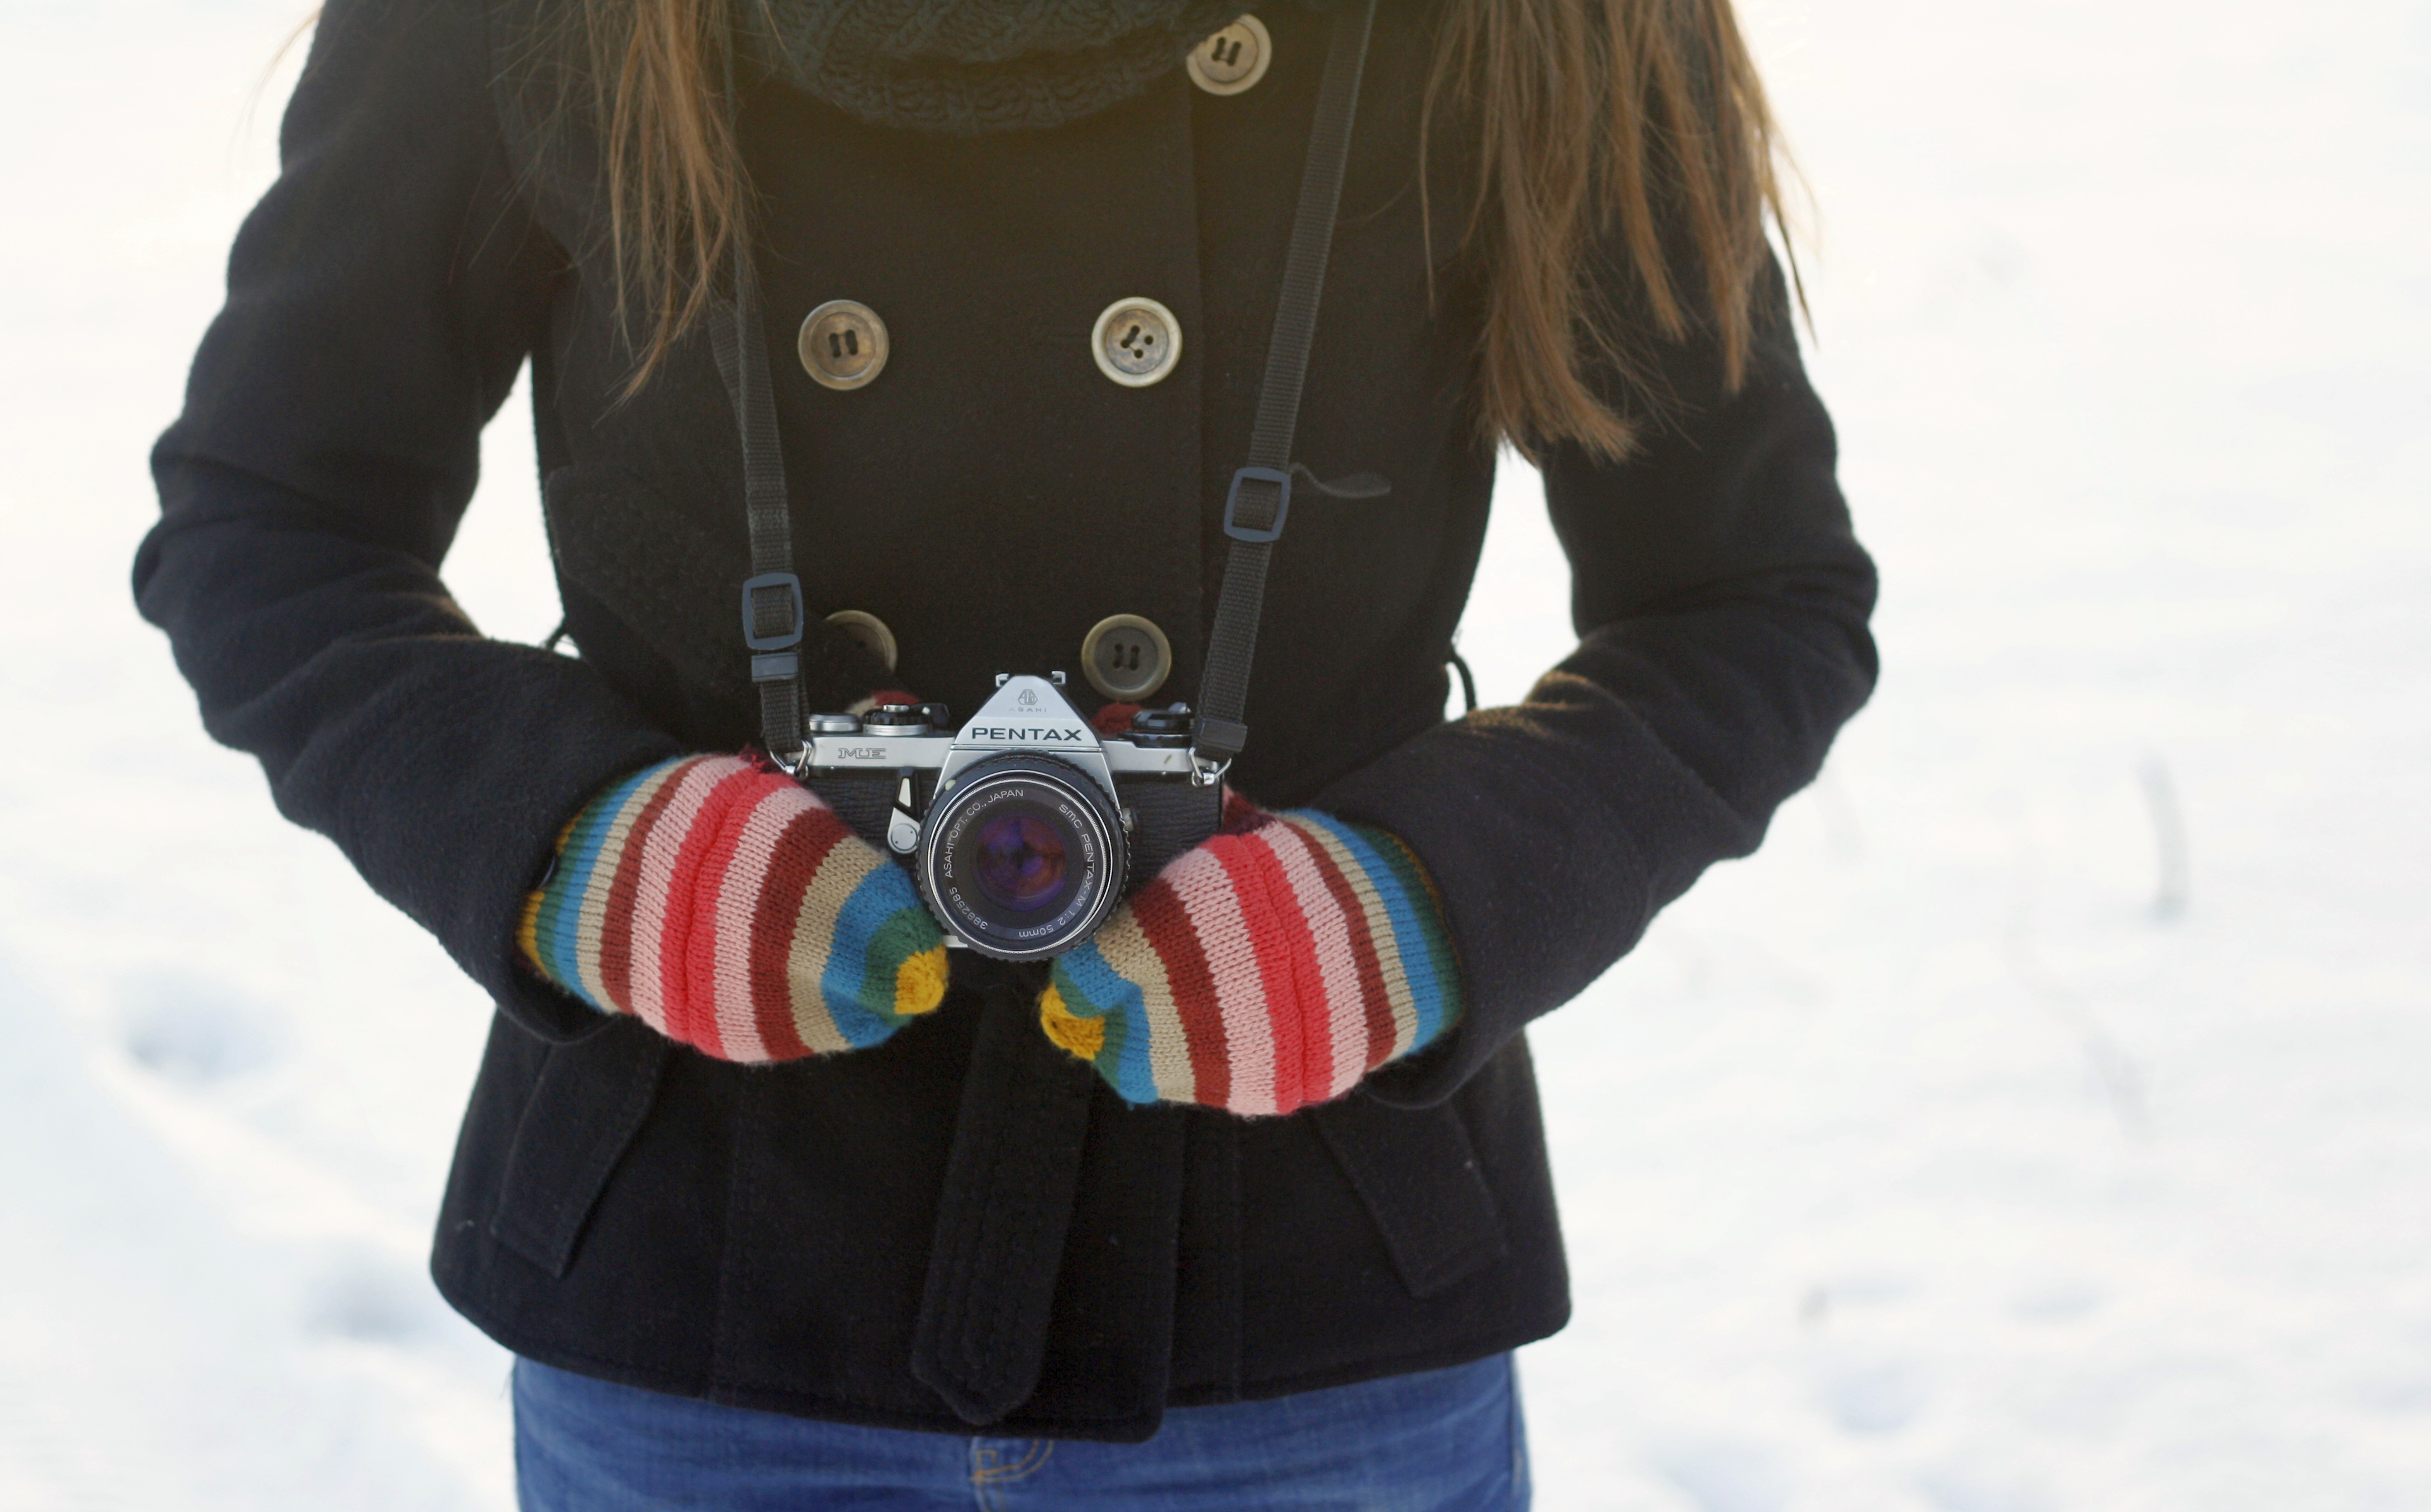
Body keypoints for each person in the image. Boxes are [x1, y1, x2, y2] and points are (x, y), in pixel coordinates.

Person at [136, 0, 1877, 1504]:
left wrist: (1410, 911)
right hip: (705, 1315)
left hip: (1305, 1310)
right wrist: (587, 849)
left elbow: (1748, 598)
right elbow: (272, 524)